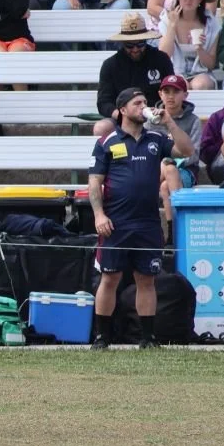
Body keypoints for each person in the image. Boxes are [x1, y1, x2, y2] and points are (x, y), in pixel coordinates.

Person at [90, 88, 194, 349]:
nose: (143, 106)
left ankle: (148, 338)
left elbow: (186, 150)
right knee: (109, 278)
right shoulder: (107, 141)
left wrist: (169, 122)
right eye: (137, 103)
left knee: (146, 280)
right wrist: (99, 215)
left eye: (145, 102)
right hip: (115, 223)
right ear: (123, 110)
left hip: (147, 223)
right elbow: (94, 183)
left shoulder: (156, 139)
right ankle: (102, 337)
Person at [94, 13, 174, 136]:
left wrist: (160, 112)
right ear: (122, 43)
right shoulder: (110, 65)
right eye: (130, 45)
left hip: (156, 115)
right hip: (123, 117)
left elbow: (171, 91)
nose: (135, 49)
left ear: (146, 40)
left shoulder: (160, 59)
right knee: (101, 128)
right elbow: (103, 102)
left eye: (140, 44)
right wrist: (122, 116)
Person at [148, 75, 202, 238]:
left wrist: (171, 162)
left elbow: (194, 155)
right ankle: (174, 232)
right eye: (166, 91)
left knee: (169, 171)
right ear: (160, 94)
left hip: (185, 171)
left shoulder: (193, 120)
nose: (170, 96)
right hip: (156, 171)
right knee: (165, 183)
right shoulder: (150, 120)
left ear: (185, 95)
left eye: (176, 92)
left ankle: (145, 193)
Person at [158, 0, 218, 90]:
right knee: (180, 85)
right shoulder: (167, 19)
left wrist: (200, 48)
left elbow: (211, 65)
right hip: (174, 71)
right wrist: (172, 26)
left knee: (200, 85)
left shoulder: (211, 24)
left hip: (202, 73)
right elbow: (164, 56)